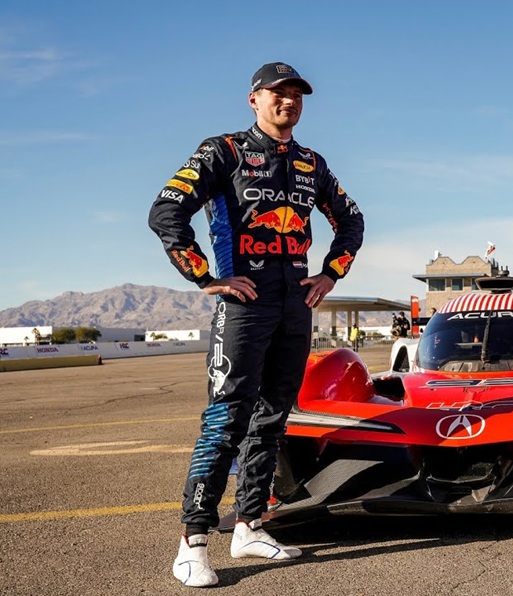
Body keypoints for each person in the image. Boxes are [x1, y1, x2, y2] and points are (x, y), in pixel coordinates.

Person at [149, 62, 365, 587]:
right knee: (226, 420)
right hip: (244, 304)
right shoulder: (222, 150)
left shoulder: (313, 163)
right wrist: (206, 277)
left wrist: (330, 275)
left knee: (272, 419)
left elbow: (352, 220)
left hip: (296, 304)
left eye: (296, 95)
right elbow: (166, 211)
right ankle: (193, 542)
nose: (288, 101)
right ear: (254, 100)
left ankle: (249, 525)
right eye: (278, 93)